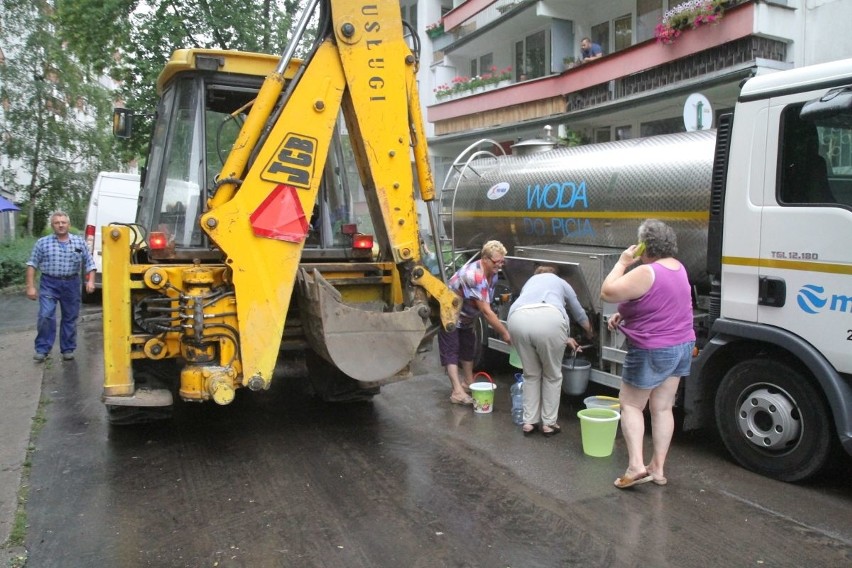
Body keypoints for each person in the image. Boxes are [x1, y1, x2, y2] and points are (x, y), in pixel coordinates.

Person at [600, 219, 695, 489]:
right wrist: (625, 313)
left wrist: (622, 262)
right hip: (682, 346)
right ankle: (658, 468)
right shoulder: (678, 267)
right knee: (663, 407)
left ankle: (635, 466)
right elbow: (662, 302)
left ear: (645, 245)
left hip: (653, 349)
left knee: (631, 405)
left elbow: (607, 291)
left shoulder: (646, 272)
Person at [507, 265, 594, 436]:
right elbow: (578, 312)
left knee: (531, 374)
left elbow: (533, 316)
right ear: (554, 273)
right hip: (550, 318)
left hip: (517, 319)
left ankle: (529, 422)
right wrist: (591, 332)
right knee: (552, 375)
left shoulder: (529, 282)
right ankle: (548, 423)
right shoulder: (560, 282)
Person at [439, 240, 511, 405]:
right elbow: (486, 311)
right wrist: (505, 333)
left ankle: (468, 382)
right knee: (452, 350)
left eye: (502, 262)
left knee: (468, 347)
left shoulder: (492, 273)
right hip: (450, 313)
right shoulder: (474, 276)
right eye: (496, 262)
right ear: (485, 258)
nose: (499, 266)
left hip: (466, 315)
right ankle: (457, 392)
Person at [26, 210, 96, 362]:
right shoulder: (42, 243)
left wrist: (90, 281)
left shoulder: (79, 242)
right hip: (49, 283)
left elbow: (90, 263)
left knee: (70, 318)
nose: (61, 225)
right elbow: (32, 264)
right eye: (57, 223)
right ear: (52, 225)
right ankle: (43, 349)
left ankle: (68, 349)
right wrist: (30, 287)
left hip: (71, 283)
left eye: (63, 222)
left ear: (68, 225)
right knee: (46, 315)